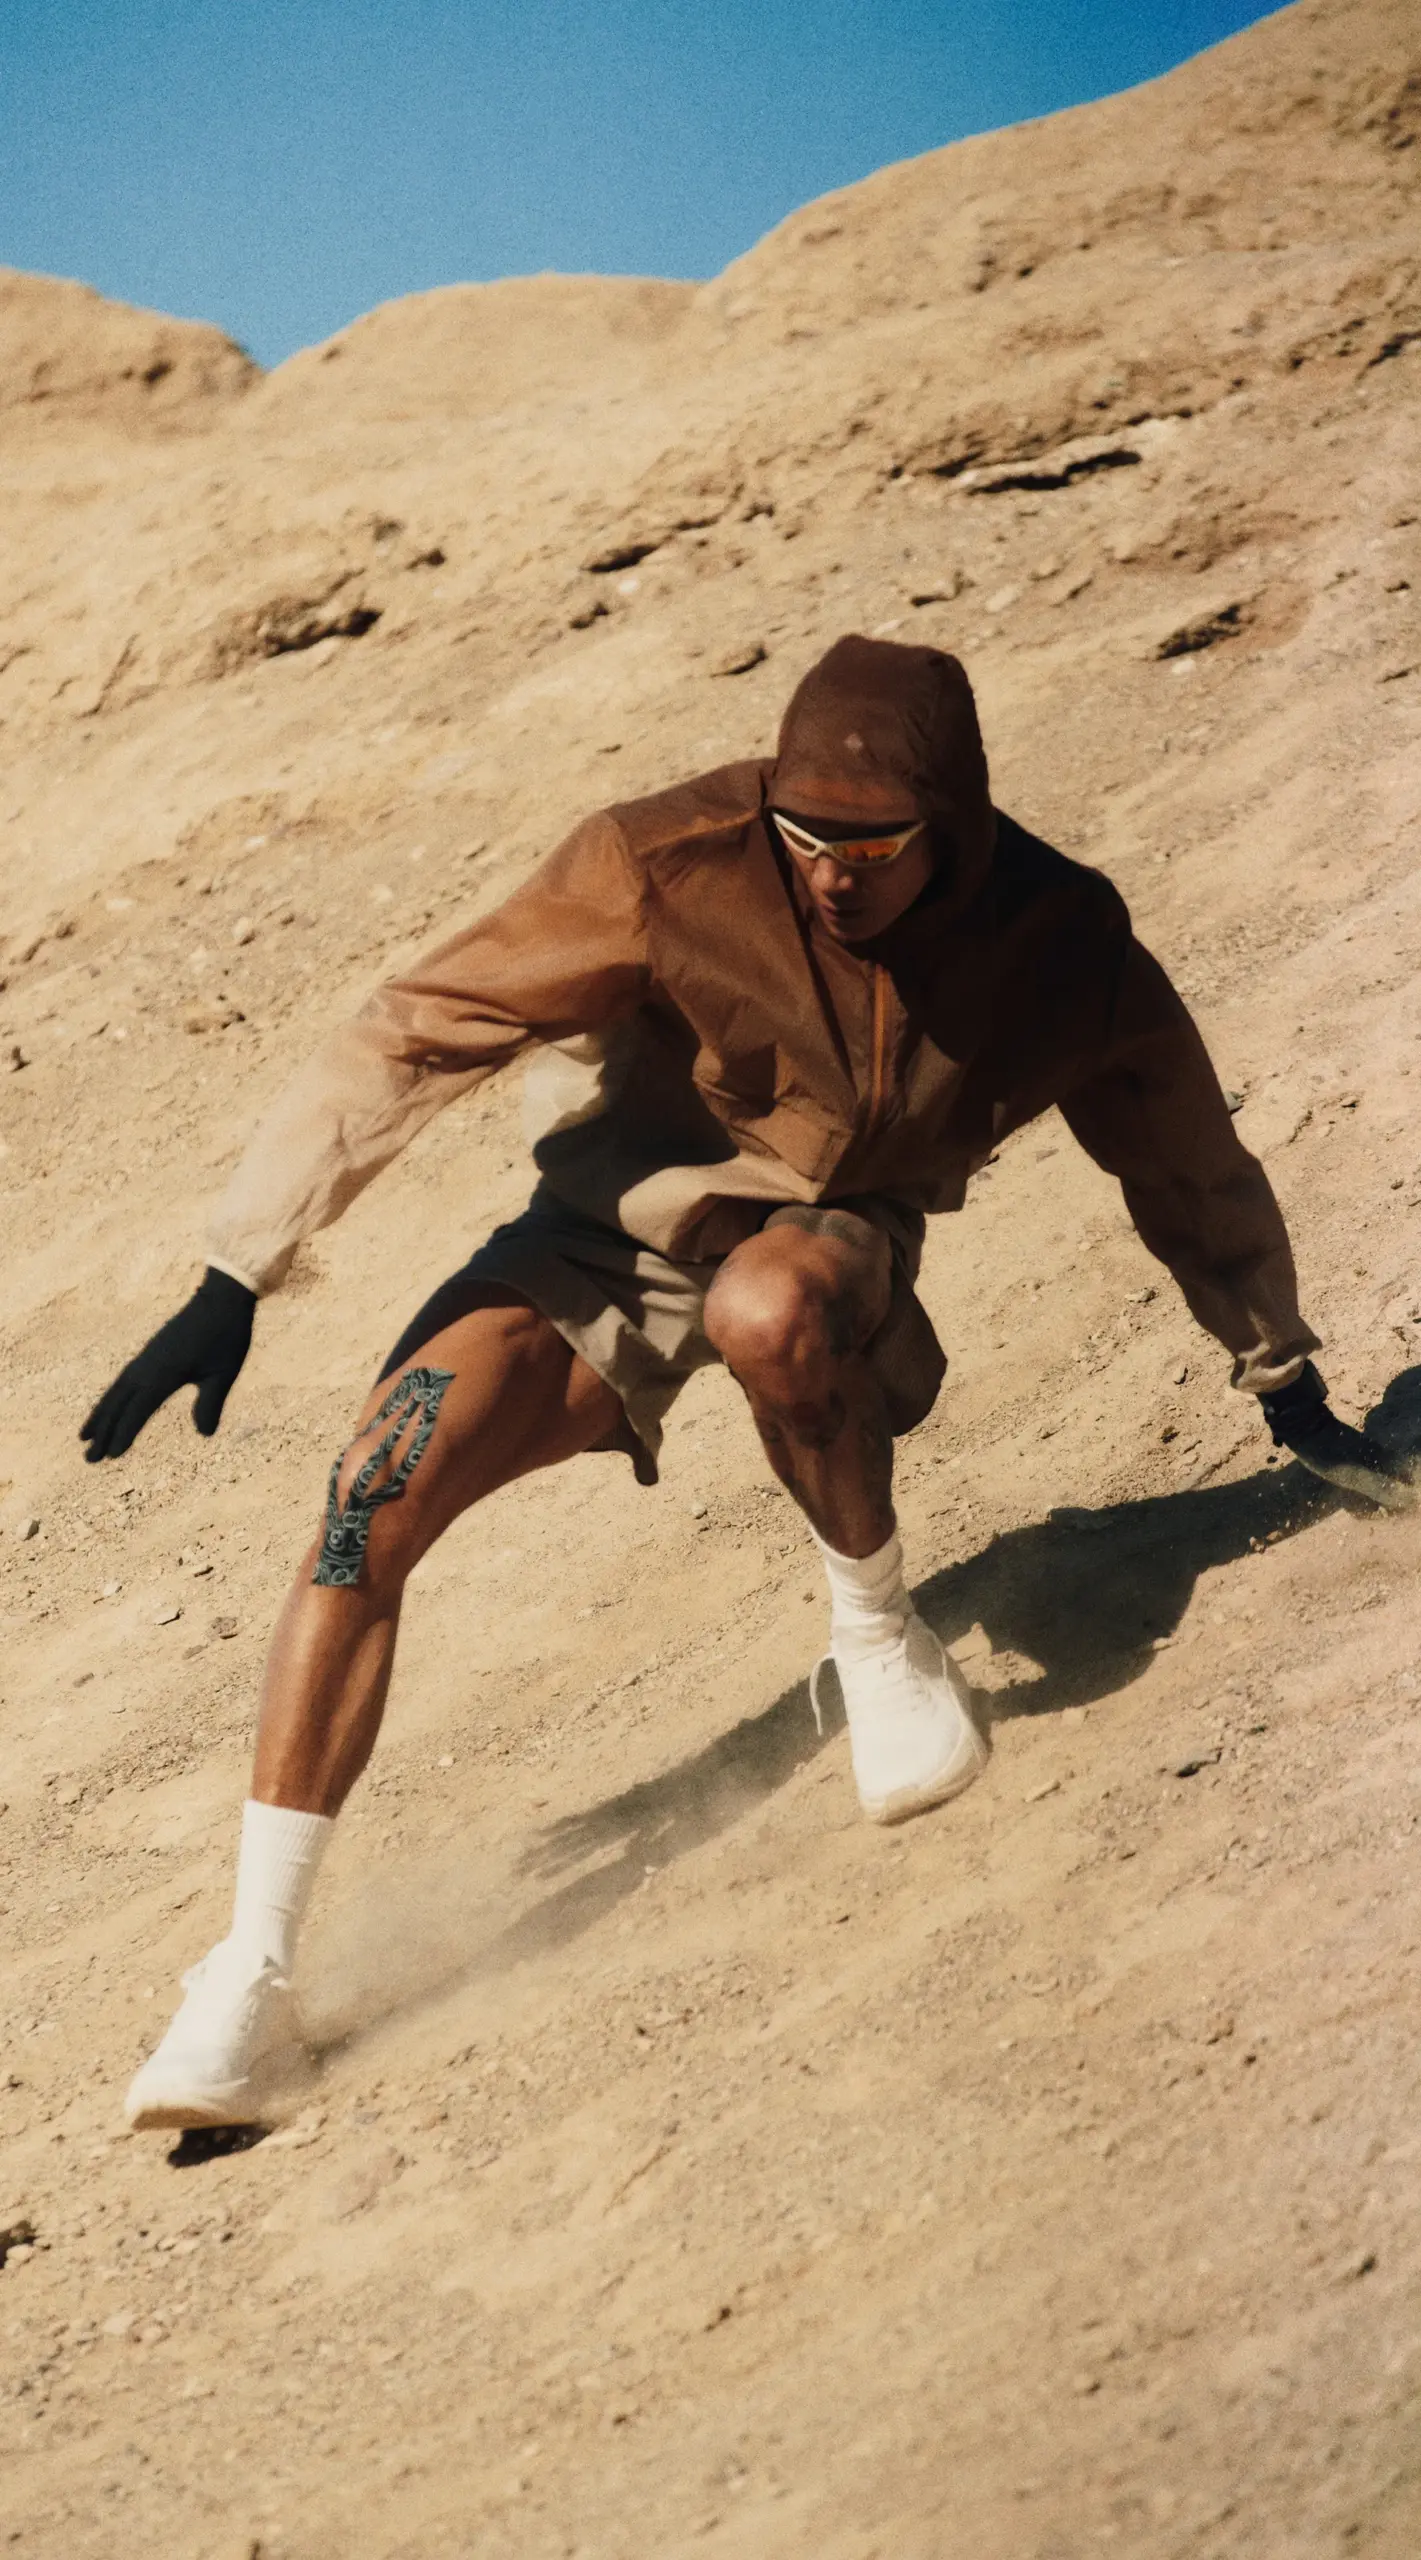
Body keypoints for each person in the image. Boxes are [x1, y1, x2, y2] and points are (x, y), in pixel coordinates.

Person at [81, 635, 1407, 2131]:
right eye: (805, 835)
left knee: (767, 1312)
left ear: (956, 824)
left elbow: (1182, 1153)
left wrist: (1280, 1372)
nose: (833, 875)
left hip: (824, 1239)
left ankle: (880, 1636)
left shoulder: (1058, 936)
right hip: (603, 1235)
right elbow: (421, 1025)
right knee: (363, 1502)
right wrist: (236, 1269)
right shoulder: (665, 862)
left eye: (876, 848)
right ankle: (252, 1978)